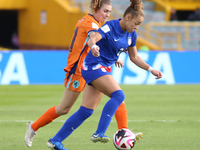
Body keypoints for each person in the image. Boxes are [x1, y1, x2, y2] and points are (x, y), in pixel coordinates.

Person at [47, 0, 162, 150]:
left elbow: (134, 57)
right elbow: (93, 37)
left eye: (139, 24)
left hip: (101, 68)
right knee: (119, 96)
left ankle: (55, 140)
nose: (137, 27)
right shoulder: (111, 26)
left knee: (86, 111)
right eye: (136, 23)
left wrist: (151, 69)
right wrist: (93, 46)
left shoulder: (131, 34)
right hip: (92, 67)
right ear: (127, 17)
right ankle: (99, 133)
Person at [24, 0, 139, 147]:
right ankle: (33, 127)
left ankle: (123, 133)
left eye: (109, 12)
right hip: (78, 69)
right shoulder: (90, 23)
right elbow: (93, 38)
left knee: (111, 99)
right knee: (64, 108)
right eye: (105, 11)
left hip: (94, 69)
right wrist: (95, 47)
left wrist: (113, 57)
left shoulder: (98, 23)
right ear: (95, 9)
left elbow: (106, 43)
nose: (107, 15)